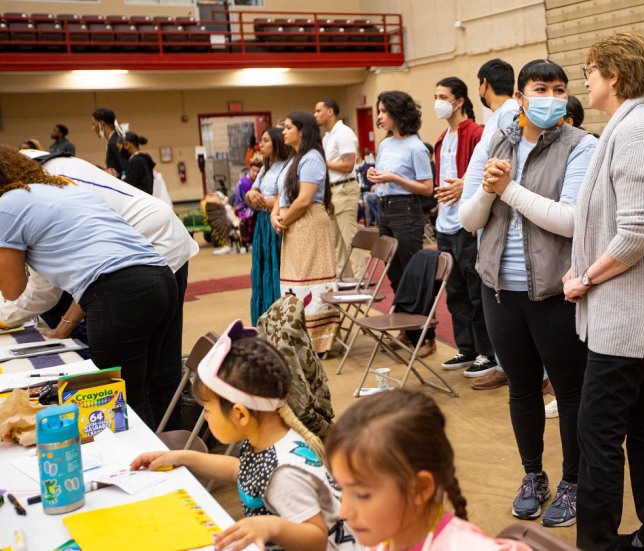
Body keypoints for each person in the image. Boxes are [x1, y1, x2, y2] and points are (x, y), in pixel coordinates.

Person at [459, 59, 597, 526]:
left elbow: (570, 220)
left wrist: (509, 189)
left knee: (570, 390)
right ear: (519, 98)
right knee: (521, 389)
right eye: (541, 89)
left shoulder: (581, 146)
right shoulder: (497, 140)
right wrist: (486, 191)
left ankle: (574, 481)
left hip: (555, 291)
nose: (552, 98)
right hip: (501, 290)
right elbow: (470, 220)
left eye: (560, 90)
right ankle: (533, 475)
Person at [565, 33, 644, 550]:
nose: (585, 79)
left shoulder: (634, 130)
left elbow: (636, 232)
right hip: (631, 314)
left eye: (590, 70)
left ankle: (598, 543)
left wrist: (587, 276)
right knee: (640, 425)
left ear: (614, 75)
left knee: (598, 435)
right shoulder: (633, 124)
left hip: (627, 316)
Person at [10, 150, 198, 430]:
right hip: (146, 252)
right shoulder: (48, 171)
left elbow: (49, 286)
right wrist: (65, 324)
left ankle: (165, 438)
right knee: (148, 372)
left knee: (142, 378)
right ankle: (164, 439)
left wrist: (6, 317)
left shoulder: (35, 193)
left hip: (150, 247)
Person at [130, 321, 358, 551]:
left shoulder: (284, 475)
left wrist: (273, 527)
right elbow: (239, 470)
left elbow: (316, 539)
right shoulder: (268, 442)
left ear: (240, 413)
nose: (205, 418)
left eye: (208, 410)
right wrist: (182, 457)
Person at [326, 389, 531, 551]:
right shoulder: (383, 538)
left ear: (420, 488)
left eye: (362, 495)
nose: (343, 512)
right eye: (340, 488)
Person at [431, 76, 496, 377]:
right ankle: (466, 347)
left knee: (474, 289)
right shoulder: (442, 140)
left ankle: (487, 352)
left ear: (458, 101)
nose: (438, 102)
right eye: (436, 96)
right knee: (454, 289)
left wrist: (464, 188)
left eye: (443, 97)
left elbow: (485, 172)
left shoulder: (476, 133)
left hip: (466, 224)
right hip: (444, 225)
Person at [464, 58, 523, 390]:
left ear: (484, 83)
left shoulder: (508, 115)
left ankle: (516, 367)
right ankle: (508, 363)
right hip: (485, 209)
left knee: (508, 297)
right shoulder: (496, 118)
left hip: (503, 214)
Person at [367, 91, 435, 353]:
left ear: (398, 113)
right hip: (384, 209)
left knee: (413, 273)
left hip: (406, 210)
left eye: (384, 111)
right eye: (379, 111)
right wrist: (376, 176)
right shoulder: (385, 145)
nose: (380, 116)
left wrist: (393, 179)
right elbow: (384, 176)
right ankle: (408, 329)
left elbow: (427, 188)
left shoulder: (416, 147)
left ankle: (426, 335)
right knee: (395, 273)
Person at [271, 112, 339, 355]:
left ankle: (318, 340)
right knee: (294, 279)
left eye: (288, 127)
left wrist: (284, 220)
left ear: (303, 131)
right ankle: (298, 335)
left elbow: (305, 200)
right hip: (293, 224)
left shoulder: (312, 159)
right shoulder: (293, 159)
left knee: (310, 277)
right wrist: (274, 216)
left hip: (307, 223)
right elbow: (282, 194)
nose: (284, 132)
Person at [315, 98, 364, 278]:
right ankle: (343, 278)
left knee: (350, 238)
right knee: (336, 241)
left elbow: (348, 166)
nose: (315, 115)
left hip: (344, 189)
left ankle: (360, 277)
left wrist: (323, 162)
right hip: (331, 190)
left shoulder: (343, 133)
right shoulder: (328, 136)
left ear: (330, 111)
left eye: (318, 110)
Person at [246, 128, 290, 324]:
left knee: (276, 267)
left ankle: (279, 318)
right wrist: (251, 196)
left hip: (277, 222)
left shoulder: (287, 166)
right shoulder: (265, 168)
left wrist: (262, 201)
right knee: (261, 267)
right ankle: (263, 318)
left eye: (265, 141)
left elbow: (285, 200)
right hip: (262, 224)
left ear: (277, 143)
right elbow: (251, 194)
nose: (260, 145)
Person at [91, 107, 129, 178]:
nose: (92, 128)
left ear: (101, 123)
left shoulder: (115, 142)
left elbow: (125, 169)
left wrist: (120, 175)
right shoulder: (114, 139)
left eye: (94, 124)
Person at [234, 155, 262, 251]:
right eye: (253, 170)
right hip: (244, 210)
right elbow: (241, 203)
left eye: (258, 172)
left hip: (255, 207)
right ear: (250, 169)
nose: (255, 173)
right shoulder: (243, 183)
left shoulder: (259, 182)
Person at [119, 131, 155, 195]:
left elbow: (129, 184)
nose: (121, 150)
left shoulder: (136, 161)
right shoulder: (144, 158)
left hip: (140, 198)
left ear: (127, 144)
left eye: (121, 147)